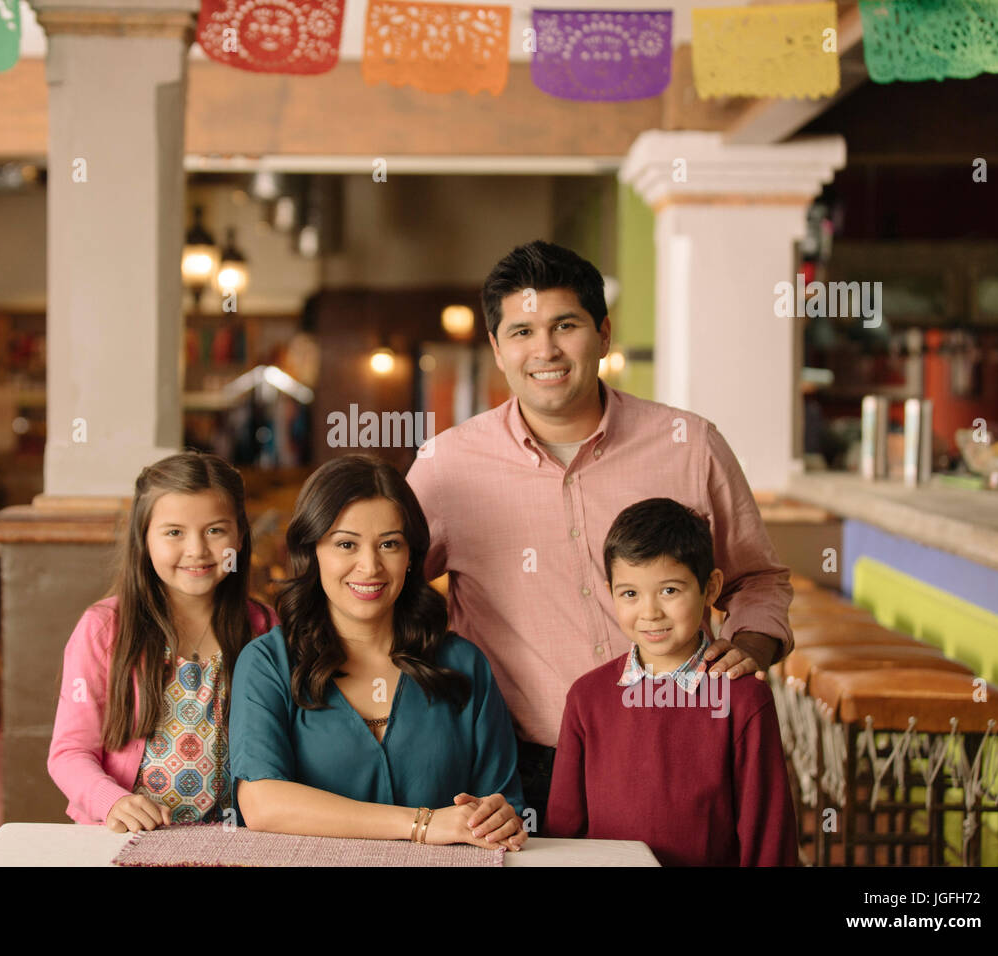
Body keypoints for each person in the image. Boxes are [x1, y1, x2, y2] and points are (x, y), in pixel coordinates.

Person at [406, 240, 794, 830]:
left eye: (566, 325)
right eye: (521, 332)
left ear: (604, 334)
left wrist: (752, 647)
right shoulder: (446, 465)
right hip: (516, 761)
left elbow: (757, 577)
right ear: (497, 348)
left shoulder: (690, 445)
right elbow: (384, 586)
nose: (545, 350)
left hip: (678, 744)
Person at [228, 455, 528, 850]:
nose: (369, 566)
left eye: (389, 544)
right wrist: (423, 824)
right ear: (312, 550)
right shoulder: (268, 663)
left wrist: (501, 819)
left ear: (410, 558)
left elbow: (504, 803)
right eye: (346, 544)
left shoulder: (463, 664)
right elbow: (262, 804)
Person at [546, 497, 798, 866]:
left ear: (710, 588)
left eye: (670, 591)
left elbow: (768, 837)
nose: (650, 612)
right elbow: (563, 831)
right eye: (630, 593)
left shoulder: (744, 699)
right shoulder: (587, 698)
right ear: (610, 591)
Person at [48, 452, 275, 831]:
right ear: (144, 538)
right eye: (174, 532)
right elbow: (69, 752)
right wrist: (112, 800)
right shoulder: (104, 629)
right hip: (125, 836)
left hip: (232, 839)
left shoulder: (264, 627)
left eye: (215, 531)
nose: (197, 550)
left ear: (240, 534)